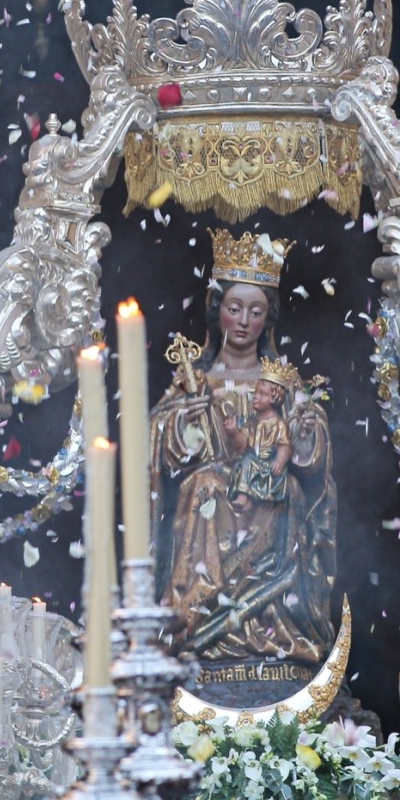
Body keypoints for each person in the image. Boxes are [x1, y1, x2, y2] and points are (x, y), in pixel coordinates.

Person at [147, 229, 337, 707]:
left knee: (280, 489)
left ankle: (270, 627)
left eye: (256, 311)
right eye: (235, 308)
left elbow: (309, 458)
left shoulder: (283, 382)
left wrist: (309, 432)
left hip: (270, 487)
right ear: (218, 310)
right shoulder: (195, 380)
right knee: (205, 485)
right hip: (214, 486)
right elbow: (158, 448)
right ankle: (195, 618)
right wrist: (182, 427)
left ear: (269, 316)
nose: (244, 320)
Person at [224, 369, 296, 516]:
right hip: (250, 459)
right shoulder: (251, 422)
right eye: (255, 393)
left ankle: (244, 496)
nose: (255, 397)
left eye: (262, 394)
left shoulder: (279, 424)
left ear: (274, 399)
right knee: (244, 463)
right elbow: (242, 446)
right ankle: (248, 499)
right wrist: (233, 432)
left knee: (247, 463)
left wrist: (279, 462)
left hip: (268, 463)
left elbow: (285, 446)